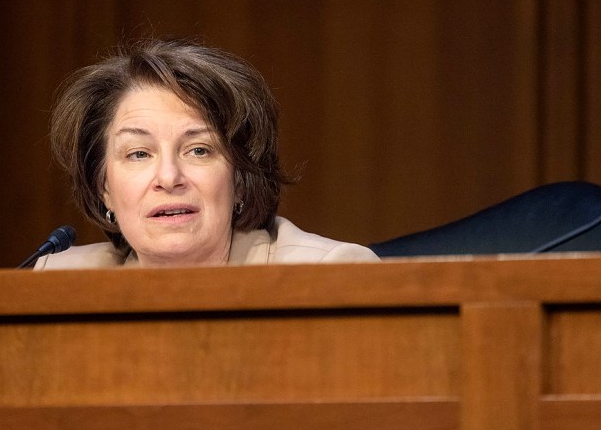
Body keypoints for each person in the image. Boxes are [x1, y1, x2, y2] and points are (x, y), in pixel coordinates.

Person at [35, 38, 379, 269]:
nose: (169, 178)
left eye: (199, 150)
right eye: (139, 154)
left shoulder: (328, 275)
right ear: (104, 188)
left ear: (241, 180)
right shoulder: (58, 282)